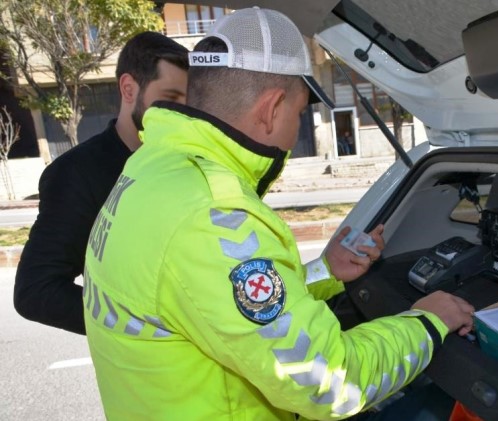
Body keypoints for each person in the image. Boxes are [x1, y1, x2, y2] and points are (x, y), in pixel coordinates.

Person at [83, 8, 474, 421]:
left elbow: (215, 301)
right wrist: (429, 321)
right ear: (271, 109)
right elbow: (331, 383)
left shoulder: (153, 168)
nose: (294, 129)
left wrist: (325, 272)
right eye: (300, 112)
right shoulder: (212, 214)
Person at [13, 32, 189, 335]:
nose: (182, 113)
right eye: (170, 99)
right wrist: (145, 329)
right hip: (142, 368)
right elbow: (36, 290)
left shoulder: (187, 162)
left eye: (188, 102)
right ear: (129, 88)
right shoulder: (77, 173)